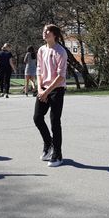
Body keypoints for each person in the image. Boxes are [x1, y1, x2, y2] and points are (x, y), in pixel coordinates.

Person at [34, 24, 68, 167]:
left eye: (47, 31)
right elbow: (39, 69)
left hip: (56, 89)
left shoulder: (60, 51)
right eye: (43, 31)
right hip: (43, 88)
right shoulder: (41, 50)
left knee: (55, 122)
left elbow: (61, 76)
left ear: (54, 34)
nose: (44, 33)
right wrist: (40, 88)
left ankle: (58, 155)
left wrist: (48, 92)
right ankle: (49, 144)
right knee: (37, 118)